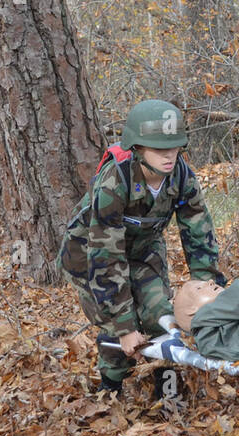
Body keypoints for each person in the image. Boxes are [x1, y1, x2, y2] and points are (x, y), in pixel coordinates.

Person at [58, 100, 224, 394]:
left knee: (161, 316)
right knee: (117, 327)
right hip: (89, 257)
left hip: (143, 249)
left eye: (174, 148)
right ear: (137, 148)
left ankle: (168, 390)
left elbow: (198, 229)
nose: (169, 156)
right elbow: (106, 255)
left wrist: (205, 287)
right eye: (159, 149)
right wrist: (125, 326)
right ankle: (110, 389)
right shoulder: (115, 181)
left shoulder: (181, 175)